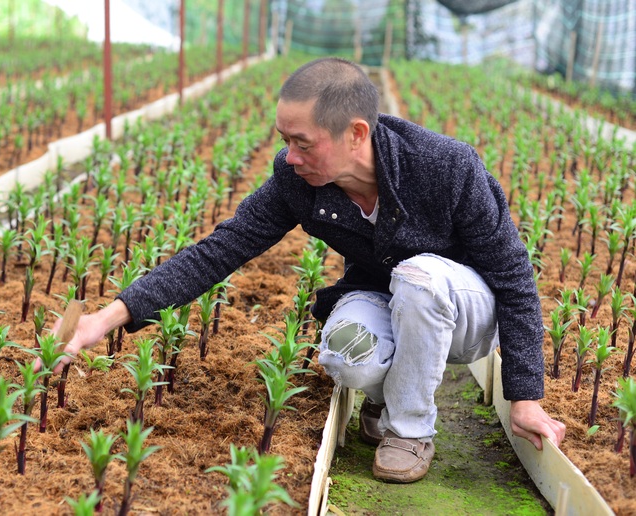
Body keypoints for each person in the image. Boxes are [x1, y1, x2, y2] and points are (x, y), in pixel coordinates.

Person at [46, 57, 565, 483]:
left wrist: (525, 397)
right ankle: (385, 398)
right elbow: (222, 248)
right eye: (284, 139)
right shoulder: (299, 181)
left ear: (356, 133)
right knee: (346, 357)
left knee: (419, 276)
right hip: (383, 295)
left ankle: (409, 430)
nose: (289, 156)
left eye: (302, 142)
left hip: (462, 309)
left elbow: (514, 279)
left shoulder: (446, 166)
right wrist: (109, 317)